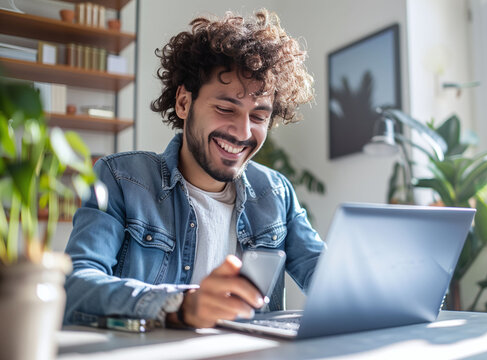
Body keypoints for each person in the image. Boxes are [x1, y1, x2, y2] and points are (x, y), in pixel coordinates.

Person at [63, 9, 325, 329]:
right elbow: (76, 286)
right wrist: (180, 306)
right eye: (225, 108)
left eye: (258, 117)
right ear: (184, 103)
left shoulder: (276, 193)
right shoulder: (121, 179)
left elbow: (327, 277)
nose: (243, 132)